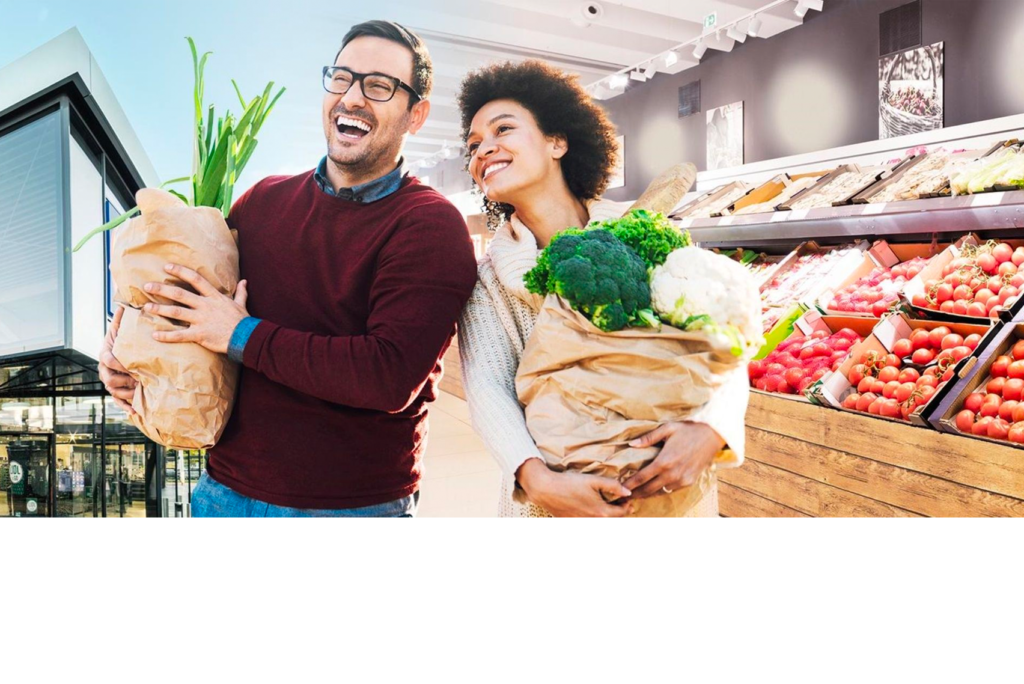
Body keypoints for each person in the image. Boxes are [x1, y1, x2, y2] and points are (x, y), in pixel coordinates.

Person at [99, 21, 478, 518]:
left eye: (379, 86)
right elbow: (198, 306)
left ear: (417, 114)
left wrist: (240, 334)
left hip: (350, 507)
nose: (352, 97)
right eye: (341, 78)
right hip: (221, 493)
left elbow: (387, 375)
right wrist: (128, 354)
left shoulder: (430, 224)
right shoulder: (260, 202)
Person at [456, 61, 750, 518]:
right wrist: (537, 481)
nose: (483, 151)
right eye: (473, 146)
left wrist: (711, 430)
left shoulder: (644, 234)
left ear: (558, 141)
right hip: (555, 501)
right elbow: (487, 387)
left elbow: (724, 344)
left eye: (503, 130)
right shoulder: (490, 280)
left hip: (669, 494)